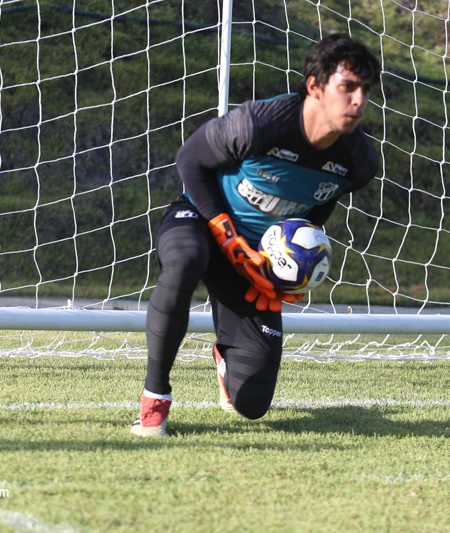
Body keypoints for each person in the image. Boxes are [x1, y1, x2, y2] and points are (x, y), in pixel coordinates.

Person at [130, 33, 382, 436]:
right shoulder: (260, 124)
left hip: (254, 260)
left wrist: (292, 261)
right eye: (348, 87)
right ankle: (155, 398)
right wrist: (225, 232)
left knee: (252, 404)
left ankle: (226, 357)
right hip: (200, 220)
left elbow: (323, 201)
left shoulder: (359, 161)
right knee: (184, 262)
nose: (359, 101)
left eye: (365, 90)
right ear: (315, 87)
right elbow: (190, 160)